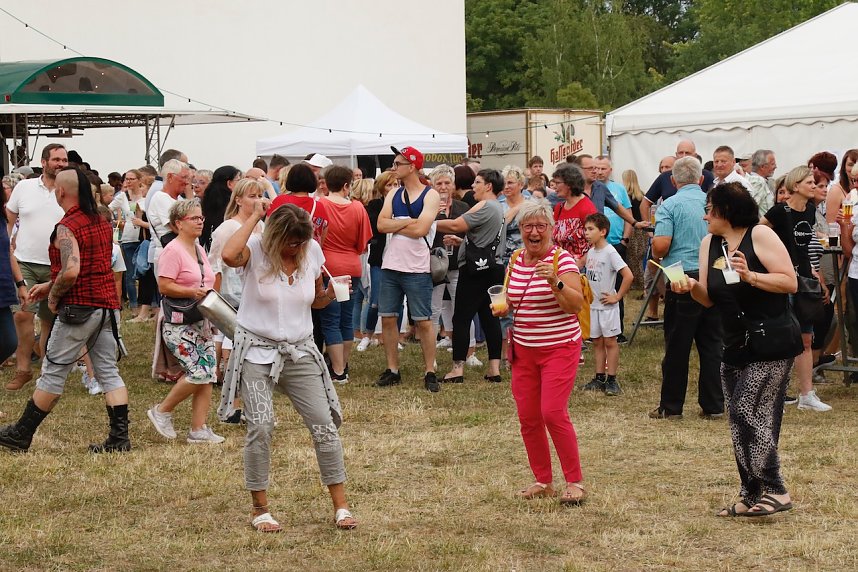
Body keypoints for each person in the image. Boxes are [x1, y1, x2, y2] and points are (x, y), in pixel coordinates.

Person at [219, 201, 358, 533]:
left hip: (300, 351)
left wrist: (330, 295)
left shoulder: (311, 252)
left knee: (325, 425)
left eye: (301, 242)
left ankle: (341, 507)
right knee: (262, 427)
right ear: (276, 236)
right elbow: (227, 256)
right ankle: (260, 509)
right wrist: (254, 215)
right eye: (291, 242)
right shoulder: (255, 248)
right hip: (257, 352)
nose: (297, 248)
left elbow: (314, 300)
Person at [672, 182, 799, 517]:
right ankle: (751, 492)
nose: (705, 216)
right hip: (734, 344)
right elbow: (709, 297)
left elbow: (789, 281)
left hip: (771, 339)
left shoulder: (760, 235)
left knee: (747, 411)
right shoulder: (709, 243)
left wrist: (750, 276)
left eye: (710, 209)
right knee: (739, 421)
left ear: (726, 211)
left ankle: (776, 490)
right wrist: (689, 287)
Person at [0, 168, 130, 453]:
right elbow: (93, 265)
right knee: (108, 371)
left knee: (53, 371)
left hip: (79, 309)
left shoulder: (67, 225)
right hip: (106, 306)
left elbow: (72, 271)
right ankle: (119, 439)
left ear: (61, 192)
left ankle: (21, 433)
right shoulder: (100, 220)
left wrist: (55, 296)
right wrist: (50, 284)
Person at [493, 200, 587, 504]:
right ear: (520, 230)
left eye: (540, 226)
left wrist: (555, 282)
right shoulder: (516, 259)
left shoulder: (563, 260)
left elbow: (575, 305)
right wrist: (503, 307)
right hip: (524, 350)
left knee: (552, 413)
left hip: (559, 347)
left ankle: (575, 482)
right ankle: (543, 480)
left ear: (550, 229)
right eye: (527, 226)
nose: (534, 232)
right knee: (528, 417)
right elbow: (509, 295)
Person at [649, 156, 724, 419]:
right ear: (702, 179)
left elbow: (661, 246)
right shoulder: (712, 204)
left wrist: (654, 248)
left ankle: (671, 407)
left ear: (672, 180)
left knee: (678, 346)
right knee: (713, 343)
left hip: (680, 276)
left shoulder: (669, 205)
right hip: (713, 275)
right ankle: (714, 405)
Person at [146, 199, 224, 444]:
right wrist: (192, 292)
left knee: (208, 372)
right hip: (179, 323)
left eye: (201, 218)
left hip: (200, 320)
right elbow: (164, 285)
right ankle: (162, 410)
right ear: (178, 223)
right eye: (194, 218)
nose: (200, 222)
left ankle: (198, 429)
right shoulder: (173, 250)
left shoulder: (198, 247)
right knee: (199, 372)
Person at [761, 166, 832, 412]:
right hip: (782, 279)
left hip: (802, 280)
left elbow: (804, 247)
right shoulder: (780, 211)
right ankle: (774, 392)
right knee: (781, 337)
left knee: (805, 337)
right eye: (810, 182)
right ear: (796, 185)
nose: (814, 186)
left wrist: (812, 270)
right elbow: (758, 234)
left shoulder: (810, 211)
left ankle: (806, 395)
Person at [375, 146, 440, 392]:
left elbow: (421, 230)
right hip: (391, 265)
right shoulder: (394, 194)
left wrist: (399, 223)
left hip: (417, 267)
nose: (393, 168)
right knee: (389, 317)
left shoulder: (430, 195)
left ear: (411, 166)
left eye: (397, 163)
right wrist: (408, 223)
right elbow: (381, 225)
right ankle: (393, 369)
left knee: (423, 321)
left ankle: (430, 370)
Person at [5, 144, 67, 391]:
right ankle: (23, 369)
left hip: (57, 264)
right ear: (44, 162)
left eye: (64, 160)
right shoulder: (24, 187)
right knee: (22, 314)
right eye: (56, 159)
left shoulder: (69, 190)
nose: (61, 163)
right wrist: (5, 248)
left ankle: (46, 370)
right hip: (25, 262)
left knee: (50, 319)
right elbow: (8, 220)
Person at [436, 169, 506, 384]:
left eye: (478, 182)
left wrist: (425, 223)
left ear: (489, 186)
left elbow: (457, 225)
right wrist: (462, 242)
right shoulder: (499, 208)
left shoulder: (485, 205)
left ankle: (457, 369)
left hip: (475, 270)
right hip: (495, 267)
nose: (473, 186)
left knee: (461, 318)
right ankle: (494, 368)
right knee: (490, 316)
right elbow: (483, 238)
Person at [208, 178, 266, 417]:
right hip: (232, 292)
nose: (256, 200)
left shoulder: (260, 227)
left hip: (253, 290)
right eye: (251, 196)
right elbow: (216, 265)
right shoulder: (227, 228)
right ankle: (230, 393)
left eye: (259, 195)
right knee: (232, 339)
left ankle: (239, 391)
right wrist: (215, 298)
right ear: (238, 199)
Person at [319, 165, 372, 383]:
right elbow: (363, 244)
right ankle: (344, 364)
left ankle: (338, 370)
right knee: (346, 318)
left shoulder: (320, 204)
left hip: (328, 267)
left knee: (330, 319)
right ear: (347, 185)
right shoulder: (358, 208)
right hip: (352, 265)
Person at [581, 213, 633, 395]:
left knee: (610, 342)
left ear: (602, 231)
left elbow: (628, 275)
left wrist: (617, 297)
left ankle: (612, 379)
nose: (586, 233)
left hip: (607, 307)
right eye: (585, 229)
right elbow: (578, 265)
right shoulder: (590, 252)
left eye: (590, 229)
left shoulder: (610, 252)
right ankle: (599, 376)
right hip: (593, 306)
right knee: (597, 342)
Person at [356, 172, 399, 350]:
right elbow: (375, 228)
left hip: (399, 258)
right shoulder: (374, 205)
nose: (393, 188)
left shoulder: (405, 205)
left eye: (396, 184)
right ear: (382, 188)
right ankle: (368, 334)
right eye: (389, 185)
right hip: (379, 259)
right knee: (375, 299)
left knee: (397, 301)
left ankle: (394, 336)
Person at [200, 166, 241, 251]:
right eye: (238, 180)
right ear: (229, 183)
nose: (241, 184)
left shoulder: (207, 200)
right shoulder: (232, 205)